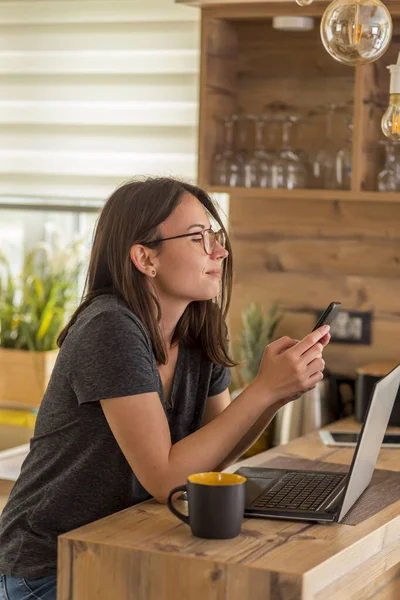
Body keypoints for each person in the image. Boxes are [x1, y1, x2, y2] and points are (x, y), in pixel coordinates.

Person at [0, 177, 329, 600]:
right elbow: (166, 479)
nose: (219, 250)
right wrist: (263, 391)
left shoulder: (201, 327)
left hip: (123, 547)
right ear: (144, 258)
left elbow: (213, 462)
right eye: (198, 238)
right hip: (49, 568)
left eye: (214, 235)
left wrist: (278, 393)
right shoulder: (110, 327)